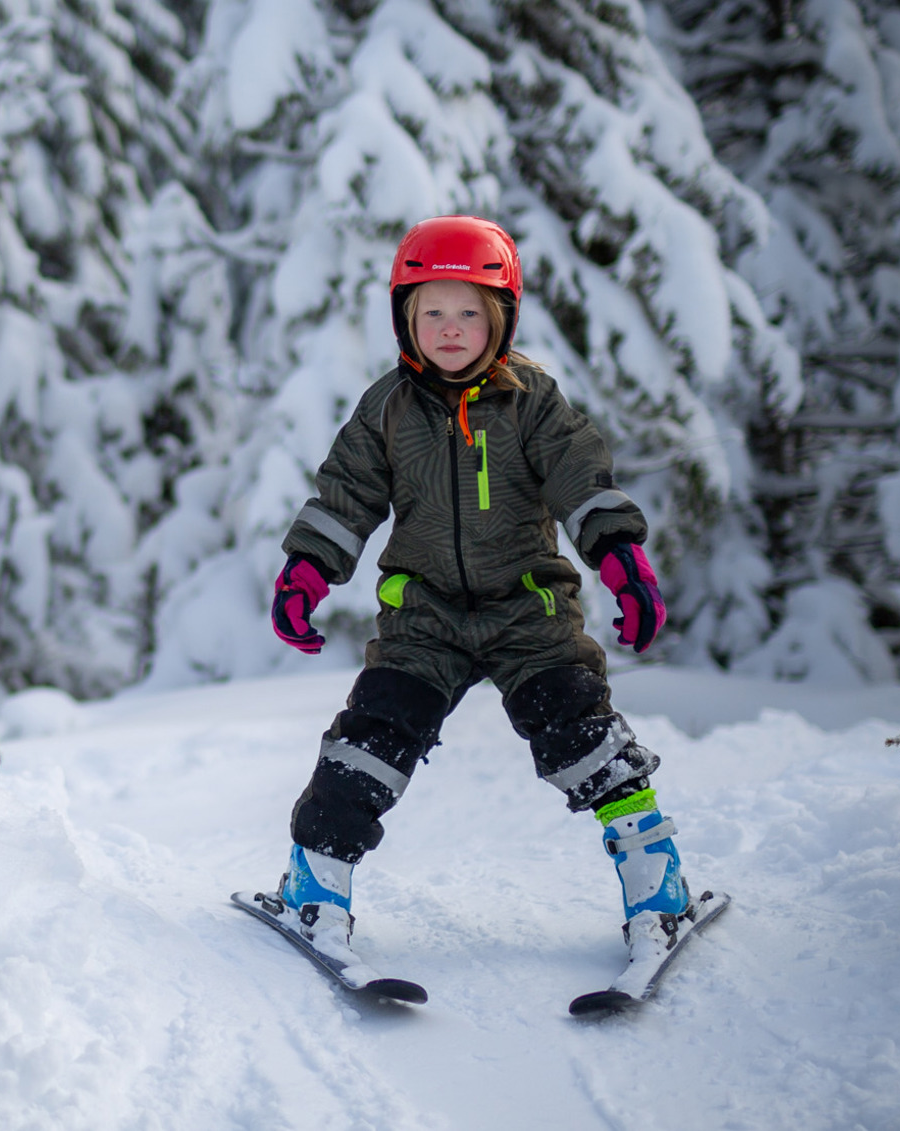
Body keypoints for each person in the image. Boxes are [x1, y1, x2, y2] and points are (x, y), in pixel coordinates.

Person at [253, 214, 696, 967]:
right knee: (368, 745)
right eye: (433, 312)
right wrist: (306, 570)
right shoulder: (388, 408)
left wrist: (621, 559)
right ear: (406, 318)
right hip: (423, 618)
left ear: (501, 319)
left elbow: (581, 480)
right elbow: (345, 495)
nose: (450, 329)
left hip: (530, 612)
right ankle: (314, 886)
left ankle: (658, 885)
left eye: (469, 312)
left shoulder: (533, 401)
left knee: (583, 739)